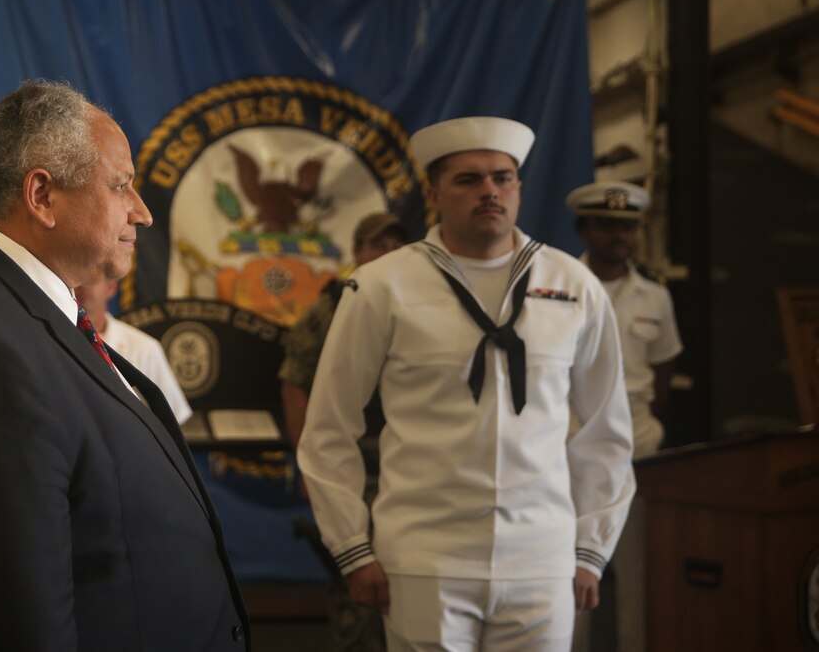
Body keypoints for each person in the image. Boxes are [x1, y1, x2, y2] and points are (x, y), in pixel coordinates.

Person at [0, 80, 250, 651]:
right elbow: (9, 621)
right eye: (120, 186)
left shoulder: (12, 311)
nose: (140, 212)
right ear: (41, 196)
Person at [297, 116, 635, 651]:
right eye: (468, 180)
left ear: (519, 187)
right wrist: (353, 547)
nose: (489, 192)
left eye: (502, 178)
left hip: (541, 557)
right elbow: (328, 426)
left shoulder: (573, 286)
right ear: (433, 193)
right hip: (425, 556)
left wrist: (591, 547)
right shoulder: (384, 286)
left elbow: (606, 430)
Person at [280, 211, 406, 652]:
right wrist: (309, 465)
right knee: (359, 599)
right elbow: (296, 384)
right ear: (357, 252)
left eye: (396, 244)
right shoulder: (332, 306)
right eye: (378, 245)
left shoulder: (424, 299)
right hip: (356, 468)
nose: (388, 253)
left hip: (411, 470)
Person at [566, 181, 682, 652]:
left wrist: (631, 429)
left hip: (640, 451)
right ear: (585, 228)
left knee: (640, 580)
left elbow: (663, 371)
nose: (621, 236)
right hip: (569, 457)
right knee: (568, 579)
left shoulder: (655, 297)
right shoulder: (558, 287)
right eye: (610, 225)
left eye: (628, 227)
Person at [74, 277, 194, 424]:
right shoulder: (49, 338)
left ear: (111, 287)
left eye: (93, 278)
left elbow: (171, 417)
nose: (83, 286)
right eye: (79, 277)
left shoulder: (144, 347)